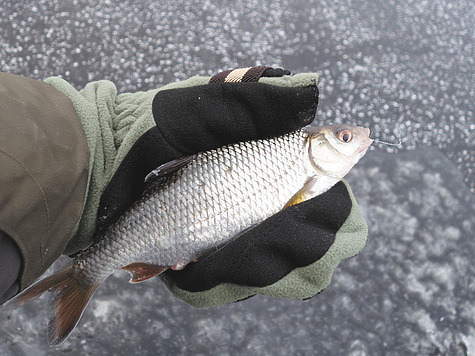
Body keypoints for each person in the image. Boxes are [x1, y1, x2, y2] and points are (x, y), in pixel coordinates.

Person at [0, 66, 368, 307]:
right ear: (317, 142)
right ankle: (87, 272)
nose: (355, 138)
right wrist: (102, 144)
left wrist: (98, 148)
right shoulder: (297, 159)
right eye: (344, 136)